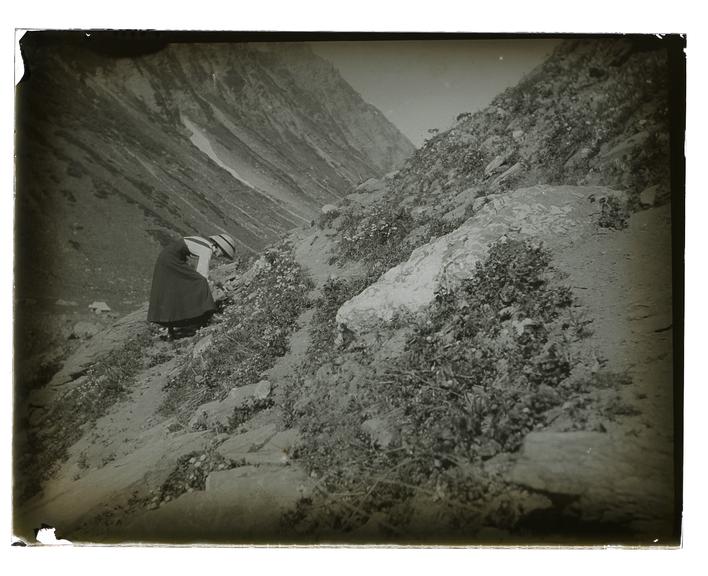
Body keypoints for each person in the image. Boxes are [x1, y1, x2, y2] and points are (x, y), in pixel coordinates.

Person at [147, 233, 236, 339]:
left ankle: (170, 330)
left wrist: (216, 283)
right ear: (219, 247)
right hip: (172, 260)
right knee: (200, 281)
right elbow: (202, 275)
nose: (222, 256)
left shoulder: (205, 244)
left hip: (167, 259)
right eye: (224, 253)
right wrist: (214, 285)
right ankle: (210, 315)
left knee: (173, 290)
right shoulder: (207, 250)